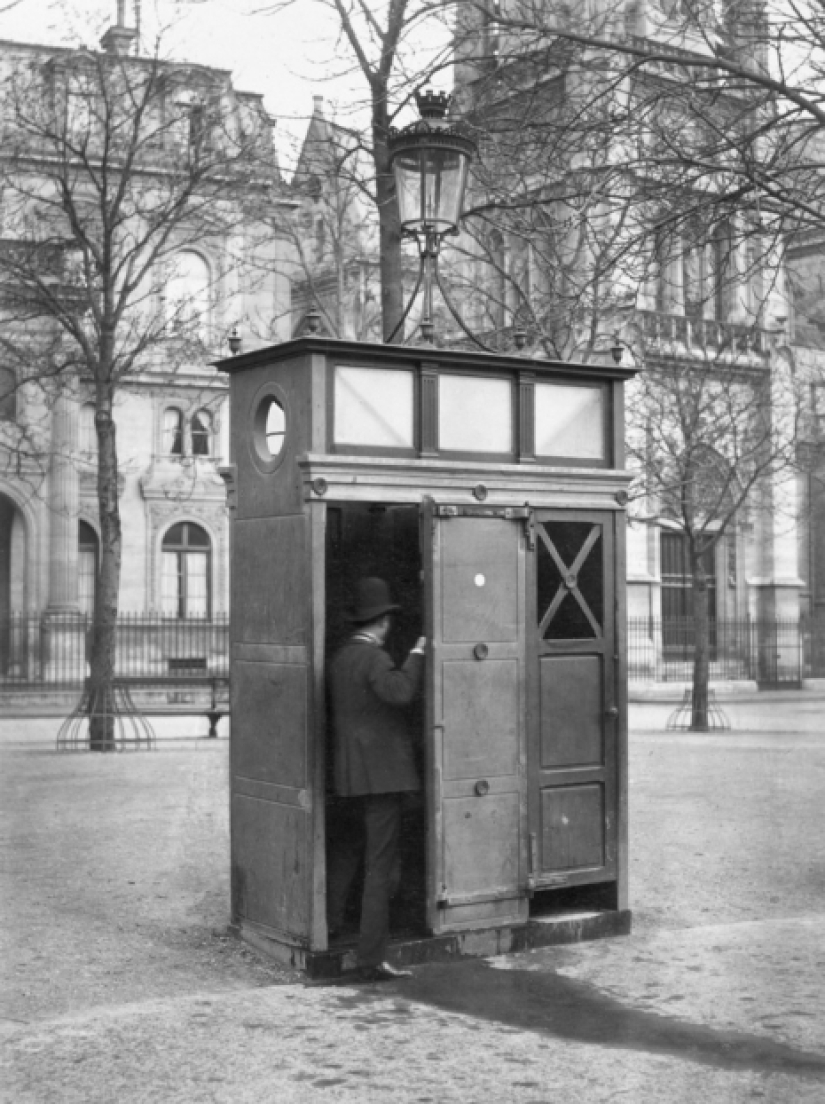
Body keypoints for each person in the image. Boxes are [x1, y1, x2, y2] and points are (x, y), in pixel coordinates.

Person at [327, 576, 426, 981]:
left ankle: (332, 922)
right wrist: (418, 653)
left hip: (350, 776)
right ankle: (371, 957)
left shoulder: (341, 658)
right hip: (382, 779)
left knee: (348, 851)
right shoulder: (374, 658)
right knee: (379, 866)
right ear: (384, 622)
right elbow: (400, 692)